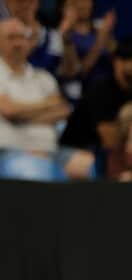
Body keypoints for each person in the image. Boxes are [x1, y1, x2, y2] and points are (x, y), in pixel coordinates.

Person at [0, 18, 93, 178]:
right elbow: (8, 110)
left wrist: (20, 116)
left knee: (88, 165)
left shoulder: (44, 78)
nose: (17, 43)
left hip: (51, 150)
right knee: (36, 168)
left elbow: (62, 109)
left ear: (29, 43)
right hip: (9, 149)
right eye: (11, 37)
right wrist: (47, 105)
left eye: (21, 37)